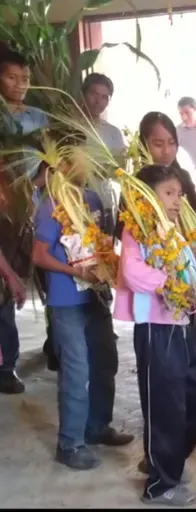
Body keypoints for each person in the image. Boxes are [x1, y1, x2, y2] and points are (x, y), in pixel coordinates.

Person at [32, 150, 134, 470]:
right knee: (76, 372)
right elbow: (39, 256)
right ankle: (70, 443)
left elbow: (103, 243)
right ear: (60, 166)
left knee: (105, 362)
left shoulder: (93, 198)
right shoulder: (52, 205)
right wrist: (76, 272)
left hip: (97, 297)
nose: (84, 165)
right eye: (75, 160)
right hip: (66, 302)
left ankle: (97, 428)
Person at [114, 165, 196, 506]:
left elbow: (190, 269)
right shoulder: (137, 229)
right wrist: (169, 283)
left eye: (179, 193)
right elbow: (133, 272)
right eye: (169, 193)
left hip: (183, 327)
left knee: (195, 398)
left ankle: (168, 462)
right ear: (147, 197)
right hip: (156, 329)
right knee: (165, 408)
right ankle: (160, 485)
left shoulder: (175, 228)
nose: (177, 200)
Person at [0, 49, 49, 392]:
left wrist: (34, 189)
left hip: (33, 209)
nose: (20, 85)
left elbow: (50, 162)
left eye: (26, 79)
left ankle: (53, 345)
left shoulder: (38, 117)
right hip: (3, 208)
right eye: (12, 77)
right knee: (5, 286)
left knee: (23, 281)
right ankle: (7, 366)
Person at [81, 72, 126, 236]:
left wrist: (96, 170)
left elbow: (119, 168)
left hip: (105, 202)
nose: (98, 101)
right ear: (83, 94)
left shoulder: (113, 133)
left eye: (104, 97)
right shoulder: (68, 127)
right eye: (93, 94)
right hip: (73, 202)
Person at [176, 96, 196, 180]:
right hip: (195, 178)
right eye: (181, 114)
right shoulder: (177, 133)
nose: (184, 117)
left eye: (187, 113)